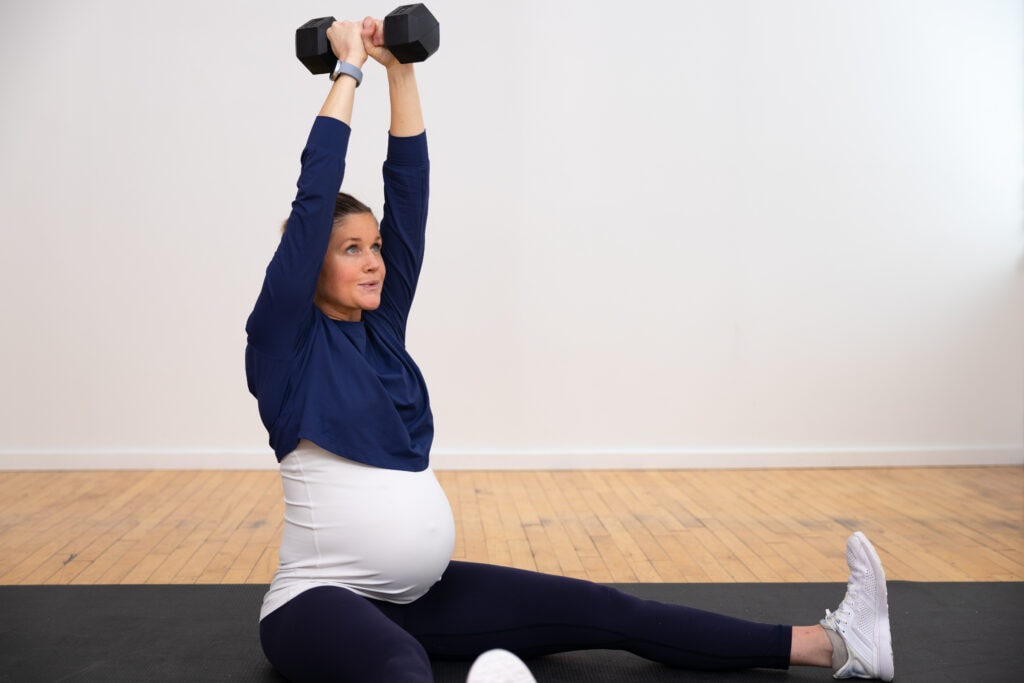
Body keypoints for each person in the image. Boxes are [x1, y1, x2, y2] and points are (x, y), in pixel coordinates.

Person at [245, 16, 895, 683]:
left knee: (606, 608)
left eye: (375, 245)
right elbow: (314, 190)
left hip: (417, 598)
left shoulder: (379, 330)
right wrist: (347, 68)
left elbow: (410, 190)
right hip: (317, 602)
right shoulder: (283, 343)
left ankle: (834, 644)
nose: (376, 259)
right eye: (351, 248)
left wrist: (398, 69)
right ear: (307, 262)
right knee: (399, 664)